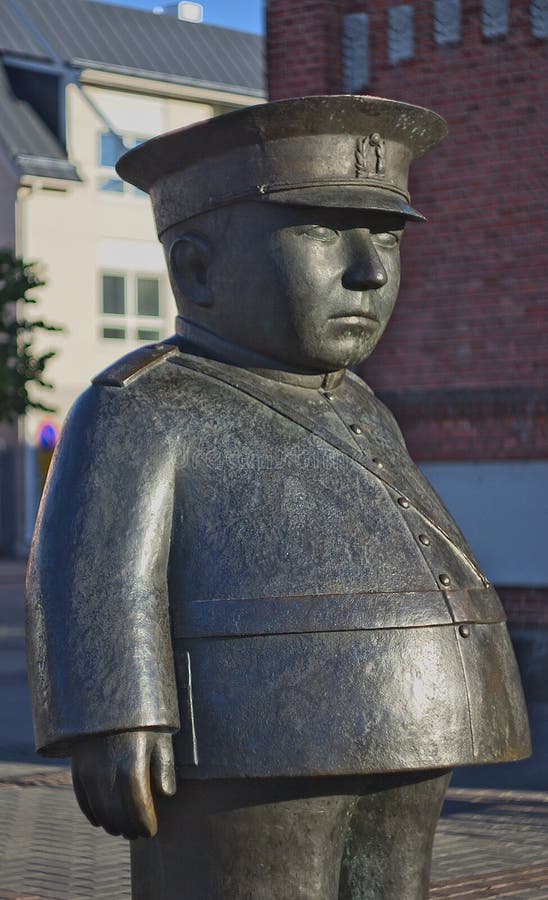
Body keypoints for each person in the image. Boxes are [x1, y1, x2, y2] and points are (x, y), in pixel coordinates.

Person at [26, 95, 530, 900]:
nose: (368, 271)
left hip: (416, 721)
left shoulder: (363, 404)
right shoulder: (142, 406)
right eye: (324, 233)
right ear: (196, 267)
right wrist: (114, 714)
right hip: (248, 740)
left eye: (387, 238)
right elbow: (94, 573)